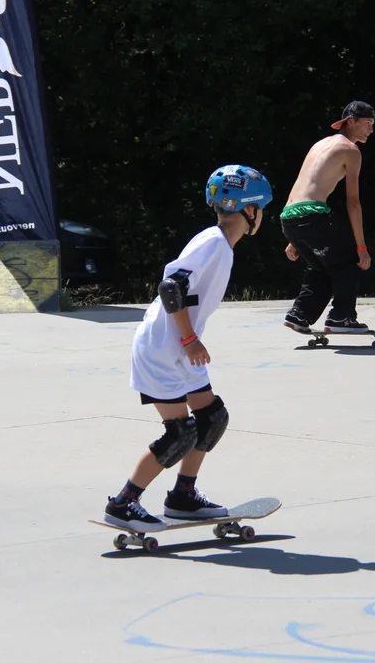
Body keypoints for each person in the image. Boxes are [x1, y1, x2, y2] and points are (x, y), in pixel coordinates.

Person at [103, 164, 274, 533]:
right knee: (180, 434)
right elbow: (170, 289)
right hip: (162, 349)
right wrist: (189, 338)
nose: (262, 216)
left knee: (212, 418)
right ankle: (124, 503)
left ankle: (183, 496)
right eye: (262, 209)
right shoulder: (212, 242)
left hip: (179, 348)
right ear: (250, 209)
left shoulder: (221, 247)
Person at [280, 100, 375, 335]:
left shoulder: (320, 145)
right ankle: (341, 318)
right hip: (311, 216)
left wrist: (295, 237)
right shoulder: (351, 151)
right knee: (348, 260)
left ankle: (299, 315)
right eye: (367, 124)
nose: (371, 130)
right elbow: (353, 202)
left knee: (321, 265)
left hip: (289, 217)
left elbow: (306, 187)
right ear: (350, 122)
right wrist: (361, 247)